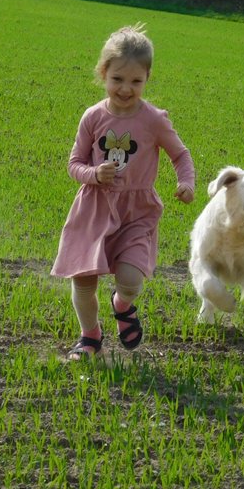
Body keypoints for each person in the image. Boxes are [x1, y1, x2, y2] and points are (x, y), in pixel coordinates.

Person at [51, 24, 195, 359]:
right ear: (103, 73)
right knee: (83, 281)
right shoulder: (92, 117)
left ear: (147, 78)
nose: (126, 89)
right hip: (94, 209)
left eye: (136, 81)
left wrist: (186, 182)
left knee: (130, 278)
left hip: (136, 211)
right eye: (117, 79)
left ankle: (122, 304)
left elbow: (181, 155)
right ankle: (90, 337)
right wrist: (93, 174)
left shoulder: (154, 119)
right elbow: (74, 164)